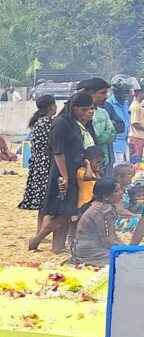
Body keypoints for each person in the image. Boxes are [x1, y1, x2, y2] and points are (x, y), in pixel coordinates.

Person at [29, 92, 98, 253]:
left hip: (74, 170)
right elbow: (58, 152)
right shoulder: (61, 123)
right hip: (62, 171)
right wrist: (65, 177)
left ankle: (58, 246)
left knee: (68, 211)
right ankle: (37, 239)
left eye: (90, 109)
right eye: (84, 109)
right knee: (63, 212)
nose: (87, 112)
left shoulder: (76, 123)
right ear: (73, 108)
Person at [19, 95, 58, 235]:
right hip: (46, 162)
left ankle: (39, 230)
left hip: (38, 163)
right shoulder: (48, 122)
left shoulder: (38, 122)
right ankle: (42, 231)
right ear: (51, 106)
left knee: (42, 199)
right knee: (48, 198)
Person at [71, 178, 122, 265]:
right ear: (105, 196)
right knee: (124, 260)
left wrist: (127, 249)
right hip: (90, 253)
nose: (121, 192)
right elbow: (108, 241)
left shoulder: (101, 206)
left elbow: (113, 236)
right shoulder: (104, 210)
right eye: (116, 191)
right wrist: (127, 251)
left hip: (87, 249)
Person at [79, 78, 116, 169]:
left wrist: (102, 137)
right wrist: (105, 136)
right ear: (91, 93)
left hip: (104, 160)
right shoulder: (86, 115)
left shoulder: (103, 112)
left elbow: (113, 132)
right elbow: (95, 138)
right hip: (90, 164)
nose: (106, 96)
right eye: (103, 93)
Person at [108, 82, 132, 163]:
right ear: (117, 92)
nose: (126, 95)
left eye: (127, 92)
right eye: (124, 93)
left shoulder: (126, 103)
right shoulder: (109, 104)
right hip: (115, 144)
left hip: (125, 142)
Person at [130, 89, 144, 160]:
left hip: (140, 137)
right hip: (137, 137)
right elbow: (135, 123)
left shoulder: (139, 105)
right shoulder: (136, 106)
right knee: (135, 160)